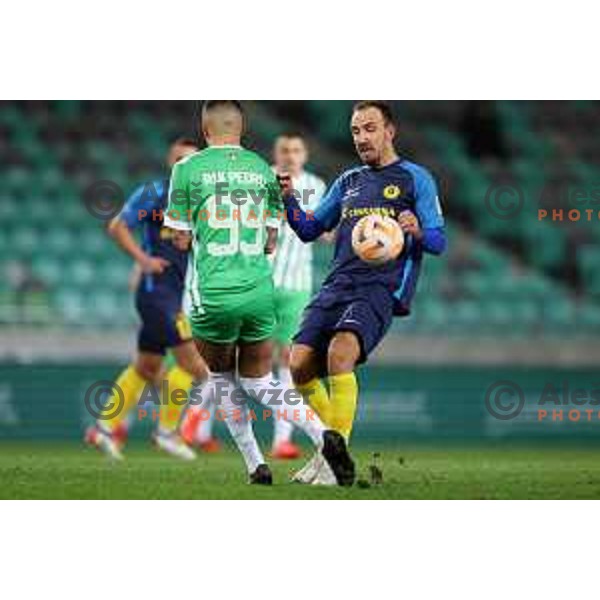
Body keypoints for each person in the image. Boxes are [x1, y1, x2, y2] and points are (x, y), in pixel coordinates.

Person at [165, 101, 354, 485]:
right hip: (259, 293)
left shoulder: (186, 169)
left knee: (222, 379)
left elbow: (179, 237)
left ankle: (256, 465)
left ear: (205, 130)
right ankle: (323, 434)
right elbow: (271, 241)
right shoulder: (260, 170)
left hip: (213, 293)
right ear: (242, 129)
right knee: (259, 380)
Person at [282, 101, 447, 485]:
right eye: (356, 131)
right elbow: (309, 229)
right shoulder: (348, 181)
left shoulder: (415, 178)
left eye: (370, 128)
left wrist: (416, 229)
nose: (362, 138)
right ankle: (328, 451)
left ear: (390, 131)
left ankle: (329, 464)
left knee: (341, 354)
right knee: (299, 365)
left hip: (381, 286)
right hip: (338, 283)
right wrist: (289, 199)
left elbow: (439, 241)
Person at [85, 137, 209, 461]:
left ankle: (104, 426)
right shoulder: (155, 192)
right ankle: (167, 432)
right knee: (195, 364)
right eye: (180, 159)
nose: (186, 166)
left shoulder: (200, 201)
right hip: (157, 295)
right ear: (171, 161)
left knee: (147, 365)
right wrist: (142, 261)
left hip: (175, 294)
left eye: (192, 161)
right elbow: (117, 226)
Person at [270, 132, 326, 459]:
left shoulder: (317, 186)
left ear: (304, 154)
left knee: (288, 363)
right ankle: (198, 425)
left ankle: (281, 441)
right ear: (276, 153)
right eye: (284, 150)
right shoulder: (261, 178)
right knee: (238, 359)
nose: (290, 155)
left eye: (296, 149)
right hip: (259, 280)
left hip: (296, 285)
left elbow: (322, 228)